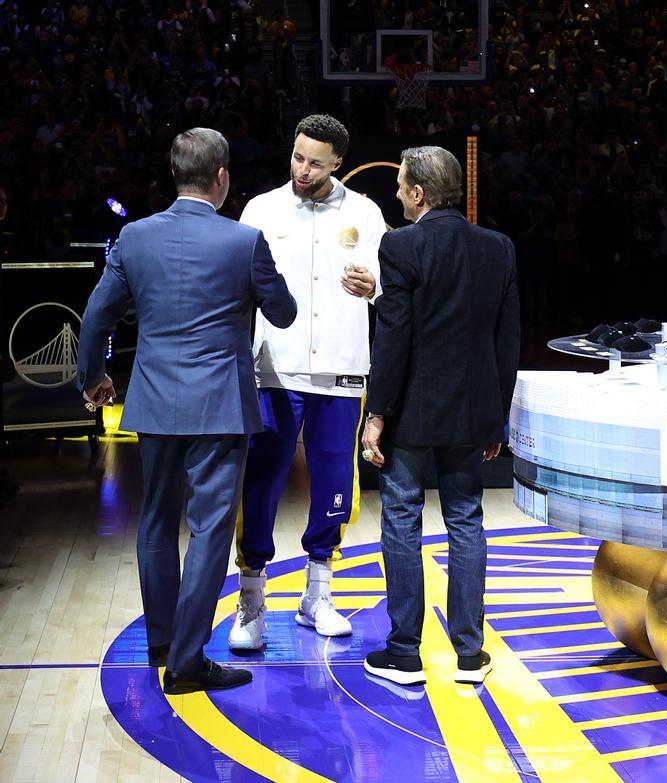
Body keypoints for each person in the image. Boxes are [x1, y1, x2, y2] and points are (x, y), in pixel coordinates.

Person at [76, 128, 296, 693]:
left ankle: (162, 641)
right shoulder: (244, 241)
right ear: (221, 176)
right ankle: (188, 662)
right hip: (220, 405)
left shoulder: (133, 236)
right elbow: (285, 313)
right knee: (209, 530)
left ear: (175, 175)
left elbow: (97, 315)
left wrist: (93, 378)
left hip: (153, 401)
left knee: (154, 521)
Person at [359, 146, 520, 686]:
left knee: (402, 517)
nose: (397, 193)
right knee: (466, 521)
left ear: (419, 193)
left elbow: (393, 338)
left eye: (401, 185)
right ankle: (470, 657)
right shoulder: (498, 247)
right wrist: (497, 415)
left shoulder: (401, 245)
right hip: (473, 411)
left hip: (412, 411)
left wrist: (376, 413)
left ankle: (405, 653)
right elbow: (507, 341)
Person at [228, 114, 386, 651]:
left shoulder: (365, 212)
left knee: (336, 483)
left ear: (338, 162)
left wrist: (376, 283)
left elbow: (389, 279)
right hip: (272, 368)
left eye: (315, 162)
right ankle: (251, 602)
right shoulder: (260, 210)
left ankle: (318, 594)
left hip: (341, 370)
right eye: (298, 157)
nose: (303, 168)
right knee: (262, 482)